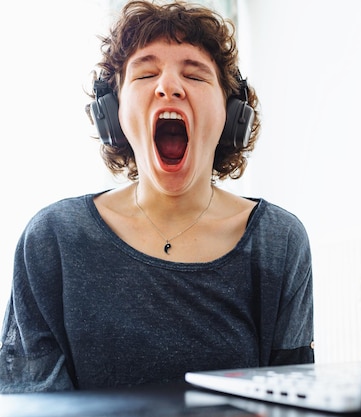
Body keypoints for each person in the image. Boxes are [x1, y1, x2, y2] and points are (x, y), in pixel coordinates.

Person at [0, 0, 314, 392]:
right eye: (146, 73)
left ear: (231, 116)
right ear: (112, 113)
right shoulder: (52, 240)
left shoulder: (278, 242)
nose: (168, 86)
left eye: (196, 76)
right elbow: (28, 399)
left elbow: (293, 399)